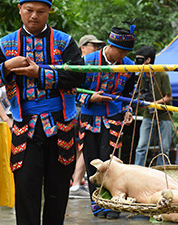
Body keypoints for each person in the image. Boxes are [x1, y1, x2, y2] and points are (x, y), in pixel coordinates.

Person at [0, 0, 85, 224]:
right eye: (29, 10)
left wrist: (40, 73)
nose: (34, 16)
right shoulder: (5, 44)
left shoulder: (65, 42)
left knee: (58, 190)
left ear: (49, 12)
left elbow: (79, 75)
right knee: (26, 188)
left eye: (41, 11)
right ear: (20, 10)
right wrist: (6, 66)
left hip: (60, 125)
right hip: (24, 126)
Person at [77, 24, 136, 219]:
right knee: (92, 160)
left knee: (110, 162)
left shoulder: (128, 65)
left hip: (113, 118)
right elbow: (71, 90)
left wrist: (128, 111)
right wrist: (89, 98)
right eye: (119, 50)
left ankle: (112, 202)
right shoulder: (86, 61)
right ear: (109, 45)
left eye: (126, 52)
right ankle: (97, 202)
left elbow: (129, 93)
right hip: (89, 117)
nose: (121, 56)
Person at [69, 34, 105, 199]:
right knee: (84, 148)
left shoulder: (98, 62)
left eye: (98, 46)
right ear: (83, 47)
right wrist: (89, 98)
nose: (96, 48)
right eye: (93, 45)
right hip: (80, 109)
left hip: (94, 111)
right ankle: (76, 182)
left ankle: (77, 182)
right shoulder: (82, 63)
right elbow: (71, 89)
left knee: (82, 149)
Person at [133, 45, 173, 166]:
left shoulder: (162, 74)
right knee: (141, 146)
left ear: (148, 60)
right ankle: (137, 171)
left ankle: (162, 173)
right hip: (148, 115)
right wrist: (140, 102)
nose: (137, 63)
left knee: (164, 149)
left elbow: (169, 97)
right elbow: (139, 95)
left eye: (140, 60)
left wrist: (154, 104)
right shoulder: (141, 75)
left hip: (164, 115)